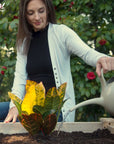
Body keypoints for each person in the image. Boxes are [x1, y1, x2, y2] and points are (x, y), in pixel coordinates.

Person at [0, 0, 114, 123]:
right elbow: (20, 80)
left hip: (55, 111)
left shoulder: (61, 33)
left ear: (48, 10)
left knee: (20, 125)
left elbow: (87, 53)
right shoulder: (23, 43)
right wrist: (14, 107)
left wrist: (101, 58)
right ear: (25, 15)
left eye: (41, 11)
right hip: (30, 105)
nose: (37, 17)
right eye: (31, 13)